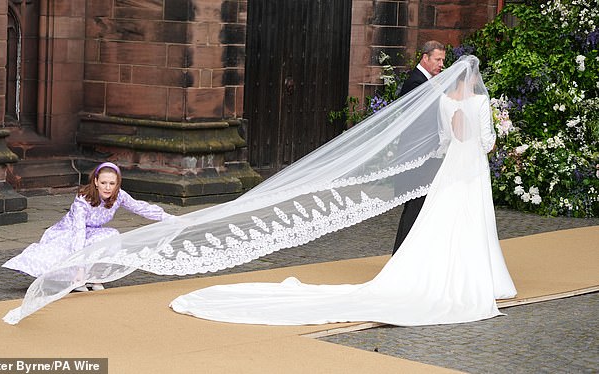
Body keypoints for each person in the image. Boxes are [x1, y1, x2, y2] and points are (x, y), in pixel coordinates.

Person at [168, 55, 517, 327]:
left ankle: (434, 272)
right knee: (473, 220)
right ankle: (480, 278)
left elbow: (443, 140)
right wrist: (493, 133)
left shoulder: (444, 101)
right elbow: (485, 143)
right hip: (471, 169)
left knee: (442, 219)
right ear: (475, 81)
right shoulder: (479, 103)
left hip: (449, 168)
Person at [2, 162, 173, 292]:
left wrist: (168, 218)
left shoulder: (119, 195)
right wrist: (79, 268)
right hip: (69, 232)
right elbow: (79, 231)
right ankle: (76, 278)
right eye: (104, 182)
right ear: (96, 181)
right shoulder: (83, 199)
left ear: (117, 184)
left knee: (112, 235)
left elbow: (140, 207)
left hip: (92, 231)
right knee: (64, 253)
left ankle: (94, 277)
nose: (108, 187)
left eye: (112, 184)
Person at [392, 40, 446, 255]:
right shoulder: (415, 83)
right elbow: (422, 123)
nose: (441, 64)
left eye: (443, 59)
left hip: (425, 156)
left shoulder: (429, 82)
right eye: (438, 59)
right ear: (425, 58)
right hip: (416, 157)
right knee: (414, 206)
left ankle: (409, 255)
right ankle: (401, 256)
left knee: (420, 207)